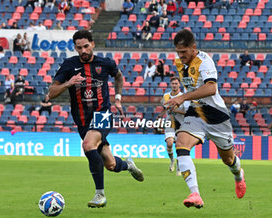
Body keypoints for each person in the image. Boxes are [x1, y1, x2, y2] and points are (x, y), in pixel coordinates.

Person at [48, 30, 144, 208]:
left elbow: (119, 76)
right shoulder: (69, 65)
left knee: (87, 145)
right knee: (111, 164)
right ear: (75, 48)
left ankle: (100, 194)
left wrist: (118, 99)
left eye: (86, 46)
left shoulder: (105, 63)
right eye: (79, 48)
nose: (83, 50)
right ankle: (128, 165)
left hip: (103, 113)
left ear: (92, 44)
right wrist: (69, 83)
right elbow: (51, 93)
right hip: (83, 120)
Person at [165, 29, 246, 208]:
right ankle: (195, 194)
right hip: (196, 112)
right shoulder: (180, 63)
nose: (181, 56)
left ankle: (238, 175)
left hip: (217, 115)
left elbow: (211, 89)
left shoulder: (205, 60)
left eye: (184, 52)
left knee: (228, 159)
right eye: (178, 52)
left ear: (193, 48)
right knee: (181, 144)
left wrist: (182, 97)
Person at [158, 77, 189, 174]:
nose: (174, 85)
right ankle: (172, 160)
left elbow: (188, 112)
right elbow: (164, 108)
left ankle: (179, 166)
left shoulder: (183, 96)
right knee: (170, 143)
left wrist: (177, 111)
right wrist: (160, 116)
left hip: (181, 124)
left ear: (179, 85)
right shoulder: (166, 96)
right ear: (170, 84)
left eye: (176, 83)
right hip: (170, 122)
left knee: (179, 146)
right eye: (173, 83)